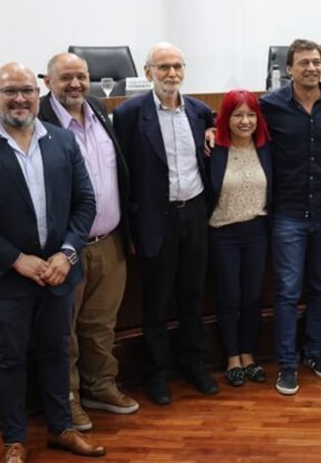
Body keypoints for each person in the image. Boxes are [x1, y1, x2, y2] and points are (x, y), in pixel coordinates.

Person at [0, 62, 103, 461]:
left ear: (38, 92)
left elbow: (85, 202)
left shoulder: (62, 140)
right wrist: (15, 260)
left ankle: (62, 429)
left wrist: (67, 253)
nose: (20, 98)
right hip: (4, 277)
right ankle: (15, 441)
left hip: (59, 272)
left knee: (57, 352)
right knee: (8, 360)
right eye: (10, 91)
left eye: (27, 90)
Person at [112, 43, 219, 405]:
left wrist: (212, 128)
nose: (172, 73)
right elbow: (122, 175)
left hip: (195, 214)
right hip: (155, 220)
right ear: (148, 73)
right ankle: (156, 375)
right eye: (163, 67)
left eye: (177, 66)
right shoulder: (128, 114)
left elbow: (214, 131)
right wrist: (129, 230)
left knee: (192, 297)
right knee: (156, 303)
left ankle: (194, 366)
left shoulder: (198, 111)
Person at [38, 53, 138, 430]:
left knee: (101, 324)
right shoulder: (38, 119)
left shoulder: (97, 108)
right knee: (63, 331)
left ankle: (100, 386)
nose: (76, 83)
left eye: (81, 75)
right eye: (66, 77)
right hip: (65, 247)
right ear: (48, 81)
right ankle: (68, 399)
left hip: (110, 240)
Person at [259, 39, 321, 395]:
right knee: (286, 290)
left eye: (316, 62)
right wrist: (209, 126)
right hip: (289, 214)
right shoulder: (270, 105)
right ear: (288, 69)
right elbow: (236, 120)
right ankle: (287, 363)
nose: (312, 68)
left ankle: (314, 351)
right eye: (304, 63)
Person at [207, 90, 272, 387]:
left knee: (253, 296)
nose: (245, 121)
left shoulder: (266, 148)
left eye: (250, 115)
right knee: (229, 296)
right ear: (225, 118)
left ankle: (248, 354)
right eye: (237, 115)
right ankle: (232, 357)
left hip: (258, 231)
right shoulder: (213, 149)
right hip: (223, 232)